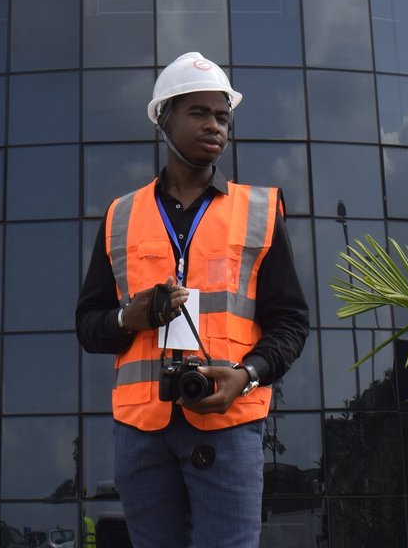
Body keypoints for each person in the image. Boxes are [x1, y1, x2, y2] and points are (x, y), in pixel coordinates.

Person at [75, 52, 309, 548]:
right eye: (199, 112)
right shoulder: (121, 216)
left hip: (227, 420)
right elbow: (88, 324)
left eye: (223, 116)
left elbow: (290, 322)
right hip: (142, 428)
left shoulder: (261, 211)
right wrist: (128, 317)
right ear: (164, 118)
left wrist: (247, 377)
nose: (215, 126)